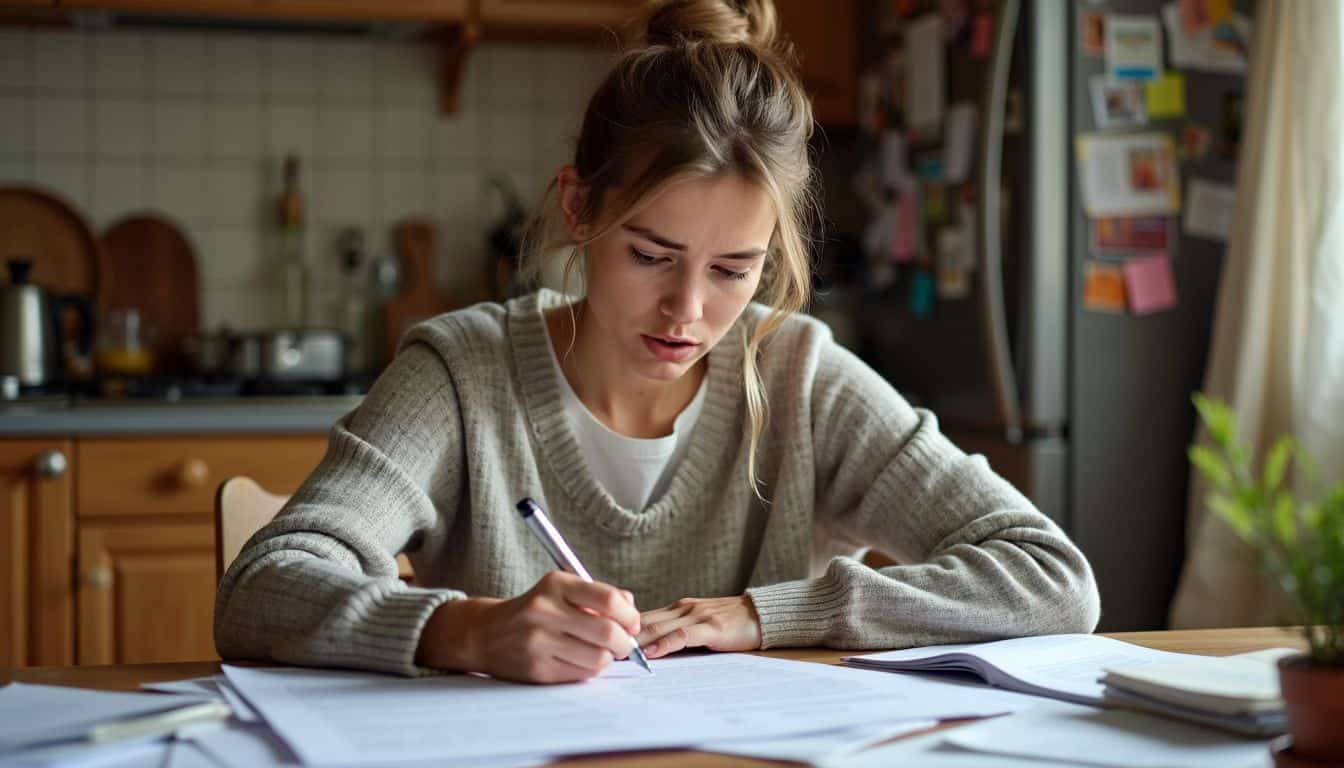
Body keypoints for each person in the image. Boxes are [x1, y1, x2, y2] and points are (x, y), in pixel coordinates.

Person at [215, 0, 1100, 684]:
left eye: (733, 270)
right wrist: (465, 629)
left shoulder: (800, 378)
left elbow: (1054, 580)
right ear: (579, 209)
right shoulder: (461, 373)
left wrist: (770, 615)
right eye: (651, 254)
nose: (686, 309)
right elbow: (263, 586)